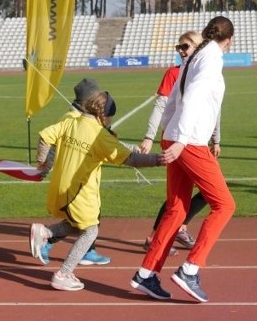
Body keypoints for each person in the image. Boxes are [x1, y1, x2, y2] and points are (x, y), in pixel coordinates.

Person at [130, 15, 237, 303]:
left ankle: (147, 273)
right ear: (229, 40)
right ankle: (190, 269)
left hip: (177, 136)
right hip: (188, 141)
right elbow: (193, 97)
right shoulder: (212, 55)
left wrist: (169, 133)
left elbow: (175, 100)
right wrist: (180, 139)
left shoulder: (194, 56)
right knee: (225, 205)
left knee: (177, 210)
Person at [29, 90, 164, 291]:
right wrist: (158, 160)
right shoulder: (99, 134)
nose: (110, 121)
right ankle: (63, 273)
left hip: (60, 187)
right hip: (78, 192)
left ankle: (46, 232)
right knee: (91, 231)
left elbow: (44, 136)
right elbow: (130, 160)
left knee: (77, 225)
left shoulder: (71, 120)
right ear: (103, 115)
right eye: (110, 117)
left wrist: (41, 161)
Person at [138, 31, 209, 251]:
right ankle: (158, 236)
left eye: (185, 46)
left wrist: (215, 140)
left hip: (198, 141)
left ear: (199, 47)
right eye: (178, 47)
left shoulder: (204, 73)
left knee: (197, 193)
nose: (180, 50)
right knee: (184, 194)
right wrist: (149, 137)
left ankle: (177, 229)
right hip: (176, 140)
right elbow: (160, 106)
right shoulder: (174, 73)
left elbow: (211, 110)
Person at [38, 78, 113, 266]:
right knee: (85, 222)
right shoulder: (71, 119)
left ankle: (86, 249)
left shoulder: (88, 120)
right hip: (74, 183)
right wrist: (44, 167)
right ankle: (47, 241)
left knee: (86, 220)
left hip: (85, 180)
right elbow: (54, 144)